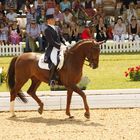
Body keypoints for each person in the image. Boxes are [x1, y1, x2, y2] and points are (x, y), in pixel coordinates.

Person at [44, 14, 66, 86]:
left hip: (60, 47)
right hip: (52, 48)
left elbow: (61, 37)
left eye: (54, 19)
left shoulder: (57, 27)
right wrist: (60, 46)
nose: (54, 20)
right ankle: (52, 79)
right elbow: (51, 42)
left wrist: (65, 43)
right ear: (48, 20)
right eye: (53, 19)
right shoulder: (47, 30)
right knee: (55, 61)